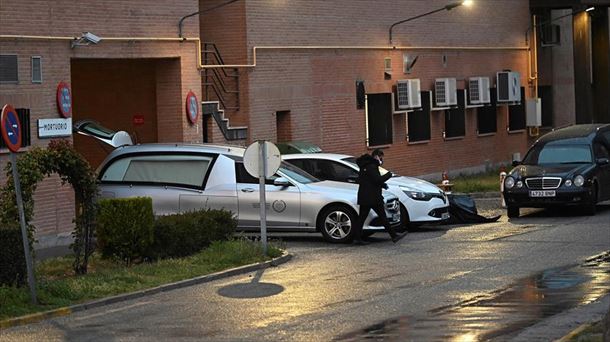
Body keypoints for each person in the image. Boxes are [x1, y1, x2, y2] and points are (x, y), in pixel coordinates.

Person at [352, 148, 406, 245]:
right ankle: (394, 236)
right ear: (376, 156)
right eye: (381, 157)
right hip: (373, 197)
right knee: (382, 216)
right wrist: (389, 175)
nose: (381, 160)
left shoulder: (365, 166)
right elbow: (377, 179)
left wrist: (382, 185)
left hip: (366, 196)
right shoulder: (371, 166)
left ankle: (357, 237)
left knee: (362, 218)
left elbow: (369, 180)